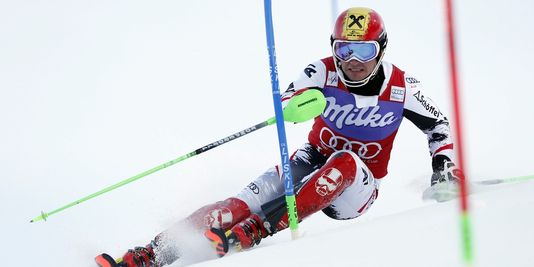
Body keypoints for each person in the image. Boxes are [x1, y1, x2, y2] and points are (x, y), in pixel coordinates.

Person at [95, 7, 464, 267]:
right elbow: (286, 99)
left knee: (347, 161)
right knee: (238, 203)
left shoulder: (402, 88)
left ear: (381, 49)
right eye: (344, 49)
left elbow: (439, 126)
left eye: (363, 50)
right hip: (310, 163)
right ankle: (151, 252)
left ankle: (258, 229)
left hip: (355, 190)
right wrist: (298, 104)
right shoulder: (321, 71)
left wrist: (443, 167)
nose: (352, 60)